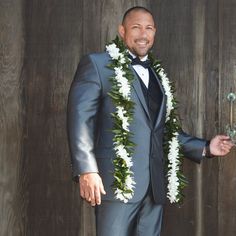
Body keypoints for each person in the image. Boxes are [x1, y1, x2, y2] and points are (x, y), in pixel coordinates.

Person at [67, 6, 233, 236]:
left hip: (154, 188)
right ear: (122, 31)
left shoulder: (157, 74)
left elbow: (161, 130)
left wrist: (206, 147)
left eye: (148, 28)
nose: (143, 34)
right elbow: (79, 118)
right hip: (117, 185)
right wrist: (86, 170)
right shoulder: (98, 64)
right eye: (136, 28)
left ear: (154, 33)